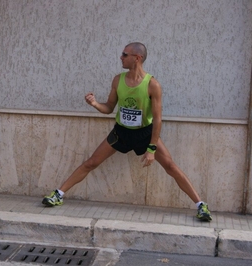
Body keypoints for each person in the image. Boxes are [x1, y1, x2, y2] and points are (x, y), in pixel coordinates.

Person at [42, 42, 212, 222]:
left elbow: (157, 119)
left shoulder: (153, 85)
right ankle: (58, 195)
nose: (120, 57)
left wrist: (152, 149)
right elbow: (109, 107)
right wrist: (94, 104)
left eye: (124, 54)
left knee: (170, 166)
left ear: (137, 58)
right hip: (121, 132)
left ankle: (201, 205)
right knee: (91, 162)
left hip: (145, 134)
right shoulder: (117, 80)